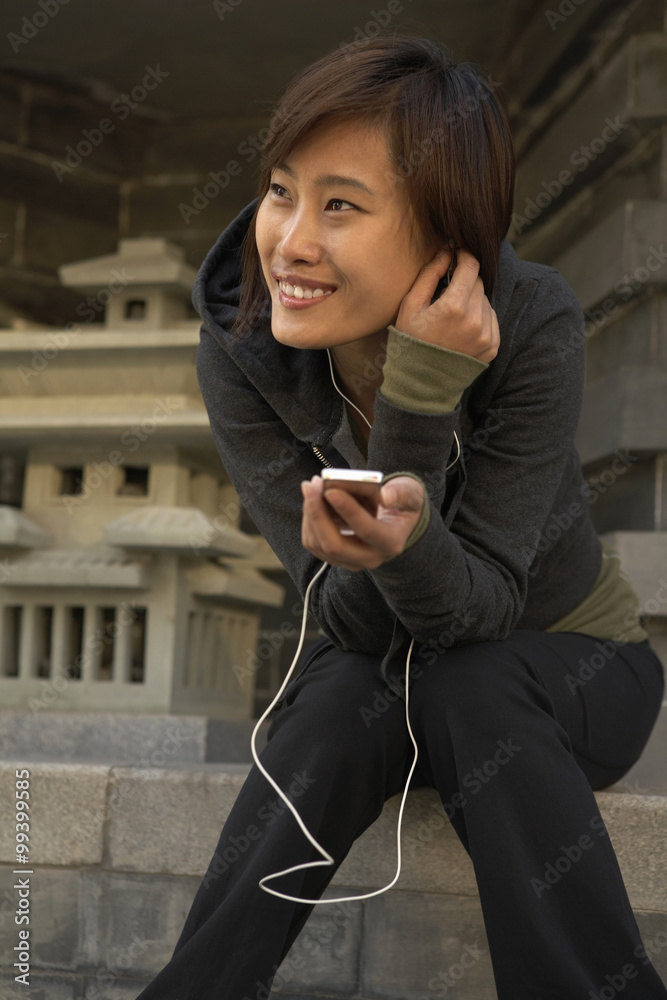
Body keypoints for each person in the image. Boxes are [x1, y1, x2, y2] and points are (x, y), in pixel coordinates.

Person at [136, 34, 667, 1000]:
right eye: (281, 190)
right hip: (386, 663)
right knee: (330, 701)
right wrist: (388, 543)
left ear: (441, 231)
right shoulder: (242, 349)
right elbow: (343, 620)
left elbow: (482, 610)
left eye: (341, 205)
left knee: (470, 680)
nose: (290, 239)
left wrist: (417, 408)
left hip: (570, 659)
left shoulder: (533, 321)